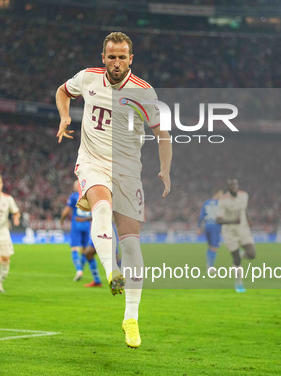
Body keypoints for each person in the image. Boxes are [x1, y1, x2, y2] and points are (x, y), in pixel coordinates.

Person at [55, 31, 172, 348]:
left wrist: (165, 169)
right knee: (101, 208)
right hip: (92, 162)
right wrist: (65, 116)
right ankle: (111, 270)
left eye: (122, 57)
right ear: (103, 56)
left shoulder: (144, 93)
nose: (117, 62)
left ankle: (130, 318)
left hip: (128, 170)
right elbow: (63, 91)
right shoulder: (88, 78)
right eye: (111, 56)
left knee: (132, 244)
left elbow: (163, 133)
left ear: (130, 59)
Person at [216, 179, 255, 293]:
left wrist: (248, 220)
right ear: (228, 187)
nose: (233, 186)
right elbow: (218, 220)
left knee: (252, 254)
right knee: (236, 259)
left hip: (243, 229)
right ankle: (238, 282)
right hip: (229, 232)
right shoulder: (223, 201)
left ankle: (241, 254)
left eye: (235, 184)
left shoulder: (244, 195)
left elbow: (245, 208)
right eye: (231, 185)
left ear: (237, 185)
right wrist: (233, 220)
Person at [61, 180, 92, 281]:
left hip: (76, 224)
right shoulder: (89, 195)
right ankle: (81, 269)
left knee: (74, 248)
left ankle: (79, 270)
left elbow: (66, 211)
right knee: (84, 249)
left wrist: (62, 219)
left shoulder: (74, 196)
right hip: (87, 225)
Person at [198, 189, 223, 270]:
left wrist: (199, 227)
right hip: (215, 226)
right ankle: (210, 267)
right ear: (216, 194)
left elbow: (201, 216)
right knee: (214, 247)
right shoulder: (220, 203)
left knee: (210, 246)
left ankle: (208, 264)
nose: (222, 196)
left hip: (207, 225)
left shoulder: (207, 202)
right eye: (221, 194)